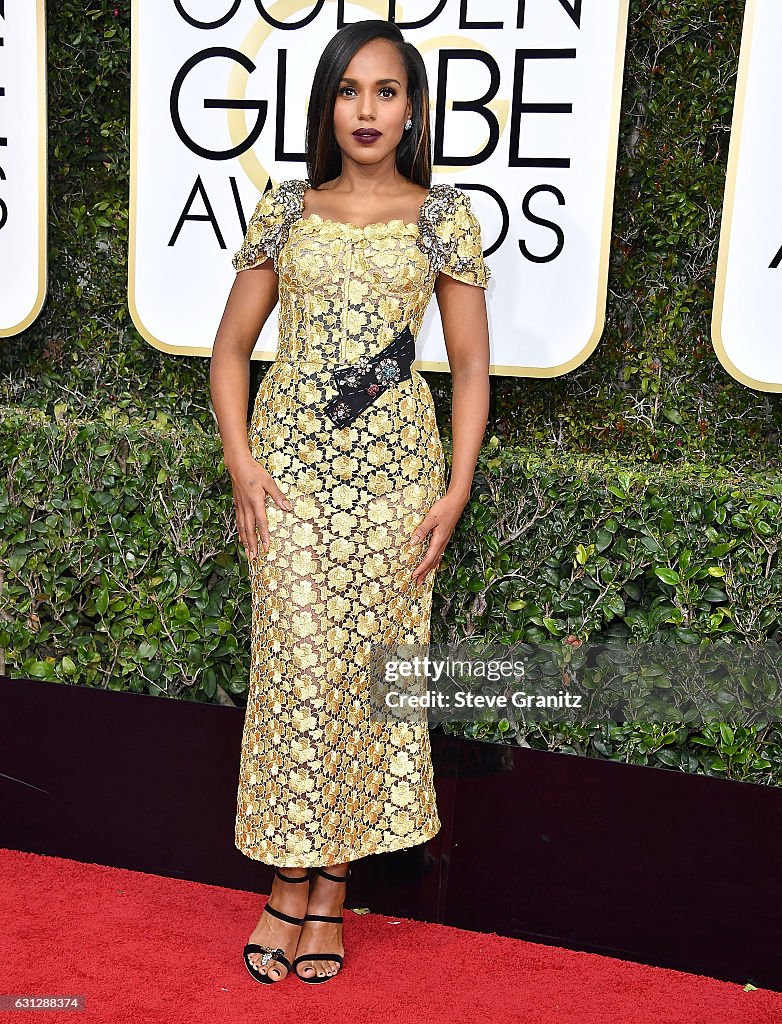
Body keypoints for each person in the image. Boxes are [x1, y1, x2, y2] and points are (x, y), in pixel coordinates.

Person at [209, 18, 491, 986]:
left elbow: (466, 366)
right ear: (324, 105)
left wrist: (453, 488)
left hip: (392, 486)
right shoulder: (285, 208)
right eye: (348, 91)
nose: (366, 110)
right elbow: (229, 349)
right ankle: (283, 878)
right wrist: (242, 465)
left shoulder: (442, 216)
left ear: (412, 109)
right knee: (292, 672)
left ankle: (330, 889)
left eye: (385, 91)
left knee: (369, 678)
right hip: (286, 482)